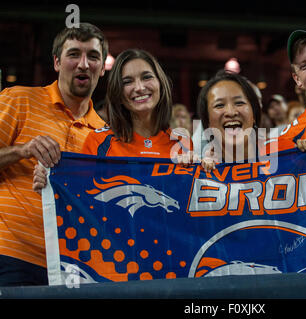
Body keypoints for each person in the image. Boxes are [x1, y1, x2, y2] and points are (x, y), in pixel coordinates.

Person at [0, 22, 108, 286]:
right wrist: (22, 151)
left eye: (93, 56)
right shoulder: (18, 99)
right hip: (10, 255)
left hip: (73, 268)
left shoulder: (105, 135)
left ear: (103, 68)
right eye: (74, 54)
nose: (83, 64)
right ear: (57, 62)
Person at [34, 48, 192, 193]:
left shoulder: (182, 143)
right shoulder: (98, 141)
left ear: (161, 84)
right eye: (127, 82)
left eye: (147, 77)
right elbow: (79, 196)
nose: (139, 87)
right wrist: (50, 183)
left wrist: (202, 170)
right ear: (118, 93)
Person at [196, 70, 306, 172]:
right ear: (207, 121)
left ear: (254, 114)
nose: (231, 112)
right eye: (219, 105)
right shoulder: (201, 171)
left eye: (239, 103)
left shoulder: (286, 152)